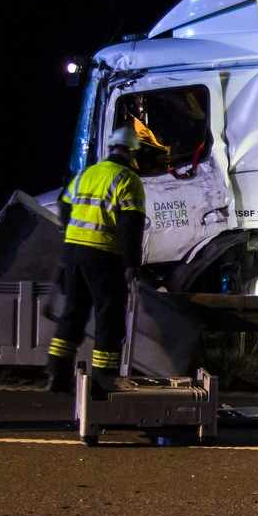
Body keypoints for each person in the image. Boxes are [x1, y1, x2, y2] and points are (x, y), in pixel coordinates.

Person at [45, 126, 147, 397]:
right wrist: (132, 264)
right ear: (133, 153)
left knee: (73, 312)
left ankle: (57, 374)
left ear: (111, 148)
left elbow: (64, 205)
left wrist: (72, 235)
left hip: (73, 253)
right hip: (104, 256)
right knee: (108, 316)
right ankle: (103, 380)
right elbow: (131, 226)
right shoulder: (128, 180)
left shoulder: (86, 174)